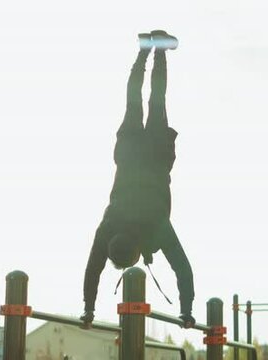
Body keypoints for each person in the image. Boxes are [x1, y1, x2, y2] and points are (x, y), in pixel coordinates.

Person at [81, 30, 195, 328]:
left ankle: (157, 52)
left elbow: (183, 269)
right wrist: (87, 308)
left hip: (155, 156)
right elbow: (93, 269)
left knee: (157, 101)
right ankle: (147, 50)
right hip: (131, 152)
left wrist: (187, 310)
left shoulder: (154, 229)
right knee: (135, 101)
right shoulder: (109, 228)